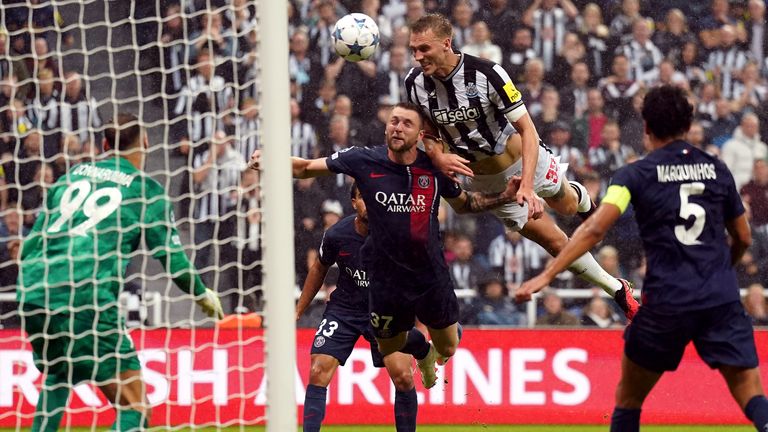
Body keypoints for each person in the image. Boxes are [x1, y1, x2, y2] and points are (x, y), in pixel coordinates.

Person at [515, 86, 768, 431]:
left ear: (646, 127)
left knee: (629, 399)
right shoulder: (717, 170)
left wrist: (547, 275)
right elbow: (743, 237)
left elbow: (594, 230)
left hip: (667, 302)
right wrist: (722, 267)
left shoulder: (633, 175)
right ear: (688, 124)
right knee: (750, 394)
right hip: (718, 298)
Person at [250, 102, 520, 389]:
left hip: (429, 273)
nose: (397, 128)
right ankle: (423, 352)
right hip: (385, 276)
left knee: (450, 348)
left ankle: (439, 342)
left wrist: (506, 195)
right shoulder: (362, 160)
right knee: (388, 344)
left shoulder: (433, 167)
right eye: (393, 121)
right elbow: (305, 168)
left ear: (420, 135)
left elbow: (466, 204)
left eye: (406, 123)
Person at [403, 13, 638, 320]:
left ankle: (579, 195)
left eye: (424, 49)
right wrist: (437, 155)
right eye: (414, 50)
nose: (418, 57)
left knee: (566, 205)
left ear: (446, 44)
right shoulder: (415, 84)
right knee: (554, 241)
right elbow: (428, 132)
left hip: (524, 160)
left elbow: (527, 129)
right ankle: (617, 289)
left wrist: (526, 185)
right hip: (486, 183)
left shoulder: (488, 73)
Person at [17, 113, 224, 432]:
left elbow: (34, 238)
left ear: (104, 144)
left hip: (35, 290)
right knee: (135, 406)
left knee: (60, 373)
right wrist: (201, 293)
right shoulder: (145, 189)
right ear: (145, 142)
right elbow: (173, 260)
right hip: (87, 298)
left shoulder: (72, 174)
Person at [298, 182, 419, 432]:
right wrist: (298, 310)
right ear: (354, 203)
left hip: (385, 311)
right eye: (363, 198)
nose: (369, 203)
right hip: (345, 310)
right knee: (318, 370)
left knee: (404, 376)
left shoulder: (396, 234)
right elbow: (319, 268)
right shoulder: (336, 235)